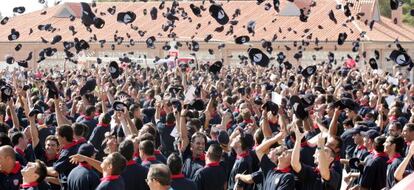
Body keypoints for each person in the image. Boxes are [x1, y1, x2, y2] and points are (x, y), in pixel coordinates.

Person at [291, 125, 340, 190]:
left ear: (331, 159)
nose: (320, 152)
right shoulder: (310, 170)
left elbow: (324, 173)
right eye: (318, 151)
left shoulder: (334, 174)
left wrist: (320, 147)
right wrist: (298, 141)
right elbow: (295, 164)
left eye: (325, 151)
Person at [47, 124, 79, 190]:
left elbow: (55, 171)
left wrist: (38, 167)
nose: (56, 137)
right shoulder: (75, 146)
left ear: (64, 137)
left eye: (57, 135)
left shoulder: (68, 153)